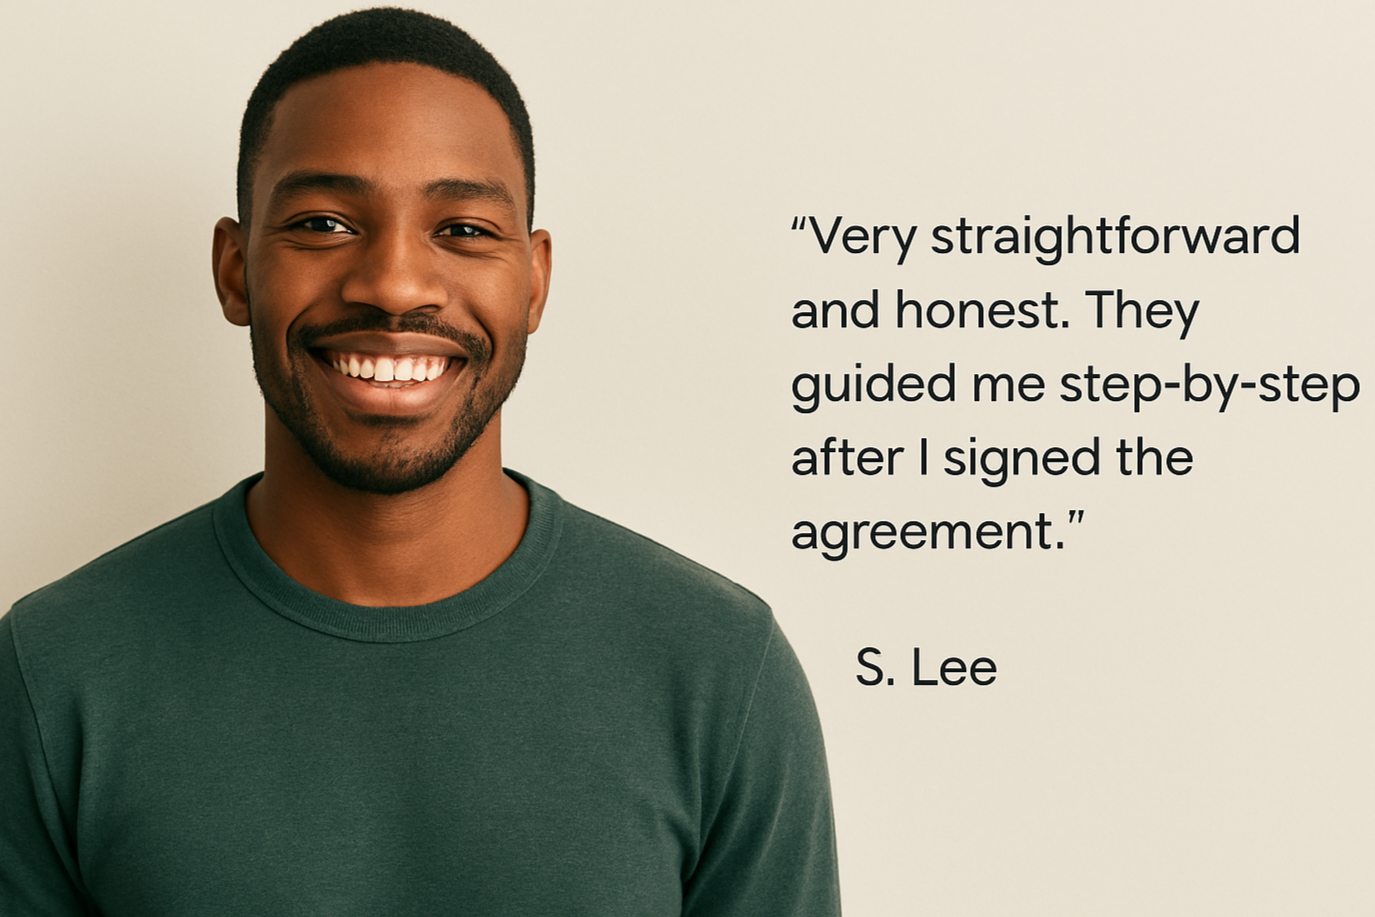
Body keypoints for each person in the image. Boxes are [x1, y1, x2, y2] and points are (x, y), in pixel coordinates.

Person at [0, 8, 839, 916]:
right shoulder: (54, 673)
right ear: (236, 269)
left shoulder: (717, 670)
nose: (395, 285)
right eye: (324, 222)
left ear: (533, 280)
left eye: (464, 230)